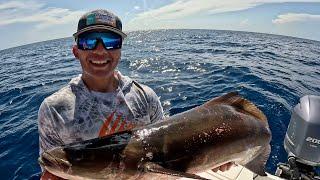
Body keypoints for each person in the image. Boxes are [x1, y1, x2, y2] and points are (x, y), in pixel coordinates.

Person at [38, 9, 233, 180]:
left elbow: (167, 153)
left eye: (110, 41)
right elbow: (52, 170)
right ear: (76, 51)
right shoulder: (53, 109)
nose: (100, 50)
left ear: (120, 50)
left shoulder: (145, 96)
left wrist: (217, 154)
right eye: (89, 42)